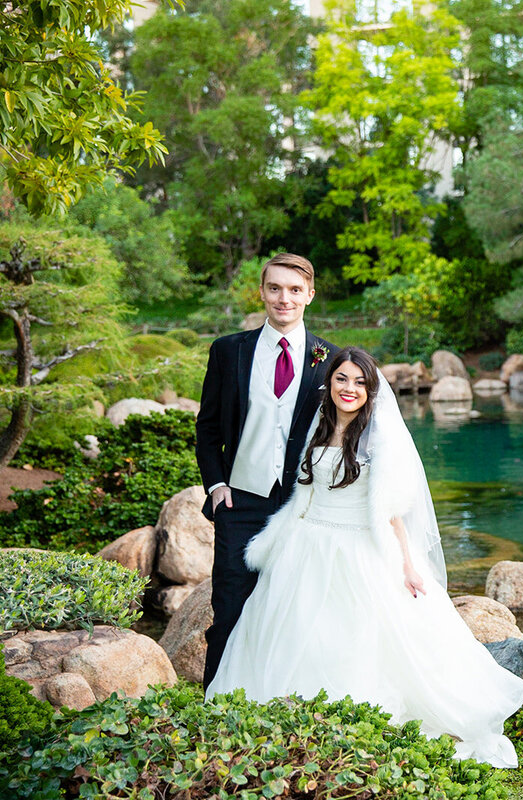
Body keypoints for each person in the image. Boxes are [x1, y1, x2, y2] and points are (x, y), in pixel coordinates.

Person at [205, 347, 523, 768]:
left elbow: (392, 511)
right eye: (342, 378)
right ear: (330, 383)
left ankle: (351, 722)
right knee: (297, 631)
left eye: (360, 382)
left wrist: (408, 566)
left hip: (357, 547)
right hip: (306, 546)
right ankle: (290, 718)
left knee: (357, 638)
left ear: (371, 390)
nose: (350, 388)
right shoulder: (320, 425)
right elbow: (306, 494)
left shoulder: (377, 436)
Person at [195, 253, 336, 690]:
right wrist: (217, 485)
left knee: (296, 610)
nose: (284, 298)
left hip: (301, 507)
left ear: (310, 296)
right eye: (275, 288)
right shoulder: (228, 350)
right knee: (230, 605)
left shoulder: (330, 360)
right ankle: (213, 705)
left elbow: (343, 432)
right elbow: (208, 426)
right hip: (240, 500)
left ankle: (282, 704)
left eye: (295, 290)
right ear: (262, 292)